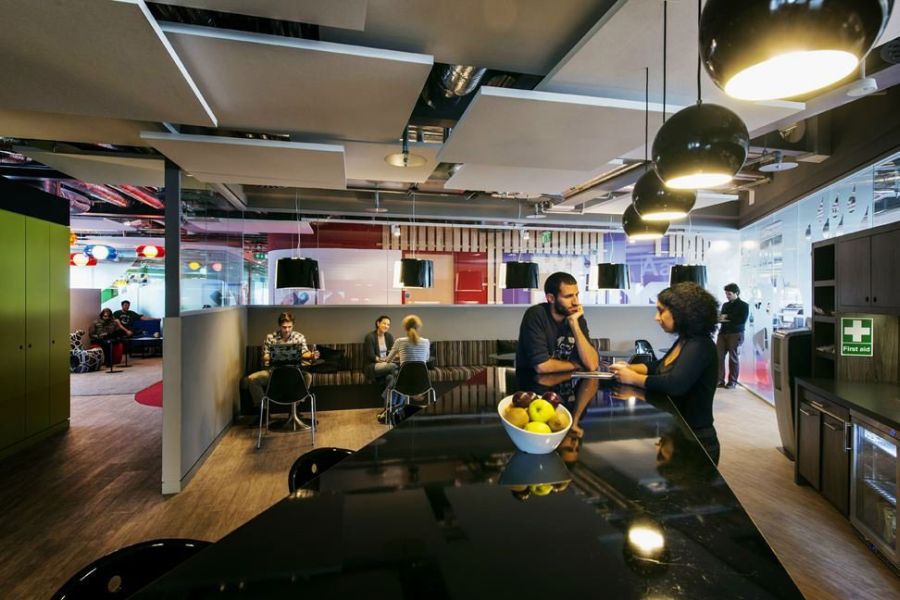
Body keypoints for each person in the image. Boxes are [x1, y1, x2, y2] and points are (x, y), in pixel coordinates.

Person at [609, 282, 720, 464]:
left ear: (682, 312)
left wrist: (634, 378)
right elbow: (661, 366)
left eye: (661, 311)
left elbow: (675, 384)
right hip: (682, 432)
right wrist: (630, 368)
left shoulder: (700, 345)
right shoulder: (685, 341)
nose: (656, 317)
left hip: (695, 437)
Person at [515, 271, 600, 374]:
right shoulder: (536, 314)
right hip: (536, 387)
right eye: (568, 297)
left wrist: (574, 324)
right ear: (551, 298)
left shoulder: (575, 317)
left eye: (576, 295)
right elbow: (542, 367)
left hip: (567, 386)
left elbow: (592, 365)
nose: (575, 302)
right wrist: (576, 365)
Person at [246, 312, 318, 410]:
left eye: (289, 327)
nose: (287, 330)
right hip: (274, 373)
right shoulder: (271, 337)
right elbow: (265, 357)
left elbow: (305, 353)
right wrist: (286, 354)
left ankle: (295, 409)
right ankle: (263, 409)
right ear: (280, 326)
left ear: (293, 325)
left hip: (294, 372)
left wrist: (312, 355)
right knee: (252, 379)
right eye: (284, 327)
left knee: (308, 377)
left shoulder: (299, 337)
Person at [378, 314, 430, 423]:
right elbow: (426, 359)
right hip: (422, 383)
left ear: (405, 328)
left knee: (395, 379)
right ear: (418, 327)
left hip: (405, 383)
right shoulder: (426, 342)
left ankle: (389, 410)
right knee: (393, 378)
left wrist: (400, 356)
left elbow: (388, 360)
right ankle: (397, 409)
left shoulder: (400, 341)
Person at [717, 283, 749, 389]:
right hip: (723, 333)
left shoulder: (744, 305)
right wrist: (729, 318)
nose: (727, 296)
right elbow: (721, 318)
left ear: (736, 293)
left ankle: (732, 381)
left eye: (729, 294)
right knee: (719, 356)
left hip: (735, 333)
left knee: (733, 358)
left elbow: (741, 320)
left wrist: (727, 317)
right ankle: (720, 380)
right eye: (726, 294)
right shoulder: (725, 305)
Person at [363, 315, 397, 382]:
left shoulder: (389, 336)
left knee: (390, 377)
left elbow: (392, 351)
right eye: (384, 323)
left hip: (387, 363)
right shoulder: (370, 337)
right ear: (378, 323)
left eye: (388, 325)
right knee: (393, 367)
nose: (386, 326)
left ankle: (389, 392)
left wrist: (393, 357)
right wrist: (384, 361)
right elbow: (371, 356)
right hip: (373, 365)